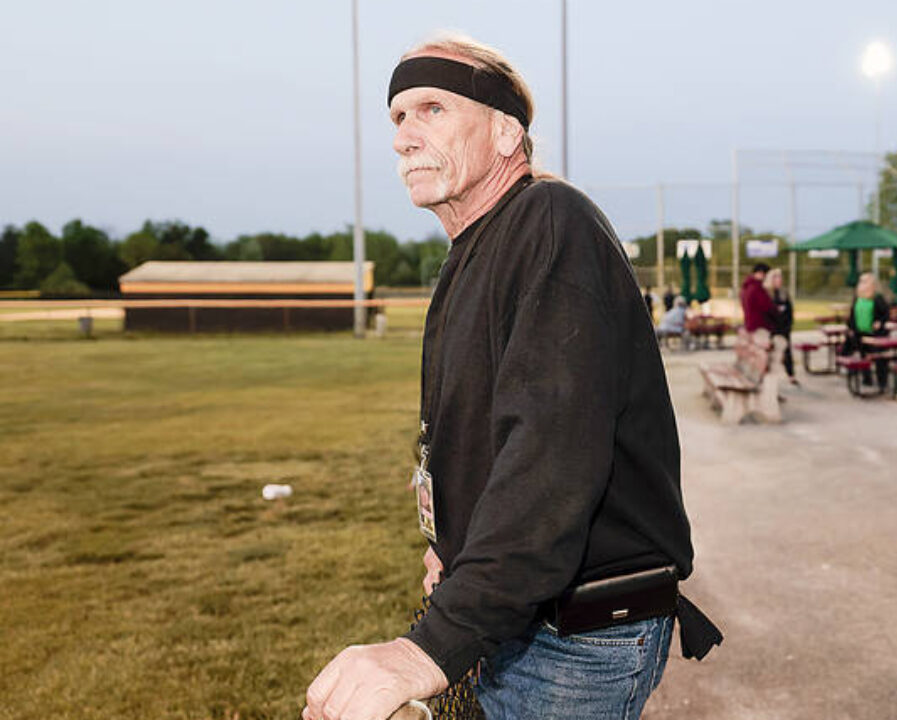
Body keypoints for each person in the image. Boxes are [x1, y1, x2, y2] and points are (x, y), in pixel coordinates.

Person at [303, 34, 718, 720]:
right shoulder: (475, 253)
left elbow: (550, 459)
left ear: (505, 131)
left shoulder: (552, 224)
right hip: (519, 616)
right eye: (397, 118)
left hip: (576, 640)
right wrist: (456, 547)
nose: (405, 137)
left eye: (431, 109)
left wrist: (430, 647)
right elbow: (481, 434)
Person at [841, 272, 892, 391]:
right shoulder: (857, 298)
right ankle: (866, 378)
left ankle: (882, 382)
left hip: (875, 335)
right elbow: (852, 315)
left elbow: (886, 314)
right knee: (863, 355)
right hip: (860, 333)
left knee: (879, 358)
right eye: (861, 281)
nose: (862, 284)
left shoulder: (877, 298)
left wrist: (880, 322)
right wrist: (850, 328)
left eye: (865, 281)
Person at [765, 268, 798, 385]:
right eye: (776, 277)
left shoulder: (784, 294)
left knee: (787, 351)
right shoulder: (767, 294)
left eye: (780, 277)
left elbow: (789, 312)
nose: (779, 280)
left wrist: (788, 326)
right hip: (772, 331)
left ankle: (791, 374)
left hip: (784, 329)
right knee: (771, 356)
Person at [740, 262, 778, 334]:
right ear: (761, 273)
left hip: (750, 324)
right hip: (760, 326)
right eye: (767, 275)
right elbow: (768, 307)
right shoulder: (757, 288)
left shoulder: (746, 287)